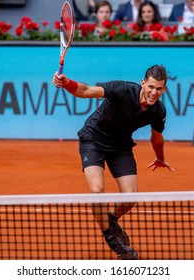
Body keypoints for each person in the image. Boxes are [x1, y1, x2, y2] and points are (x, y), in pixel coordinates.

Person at [52, 65, 174, 260]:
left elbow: (157, 137)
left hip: (120, 146)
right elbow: (86, 91)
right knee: (97, 191)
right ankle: (110, 237)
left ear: (164, 90)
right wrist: (67, 83)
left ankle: (111, 218)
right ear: (143, 83)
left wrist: (160, 157)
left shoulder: (158, 111)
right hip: (93, 140)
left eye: (159, 89)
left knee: (131, 197)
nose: (154, 92)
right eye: (151, 87)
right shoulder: (122, 89)